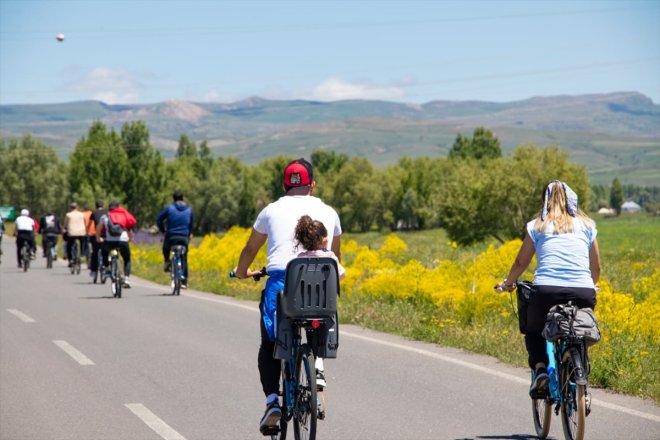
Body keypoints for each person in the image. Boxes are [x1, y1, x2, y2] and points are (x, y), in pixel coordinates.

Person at [233, 158, 342, 435]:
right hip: (319, 287)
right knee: (319, 316)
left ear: (283, 185)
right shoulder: (329, 211)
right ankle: (316, 366)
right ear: (313, 185)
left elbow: (250, 248)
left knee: (269, 343)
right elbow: (337, 258)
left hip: (282, 284)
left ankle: (272, 402)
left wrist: (242, 271)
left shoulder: (270, 210)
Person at [496, 180, 600, 397]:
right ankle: (579, 376)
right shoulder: (588, 226)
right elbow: (596, 266)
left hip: (546, 291)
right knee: (579, 331)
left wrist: (507, 283)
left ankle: (541, 370)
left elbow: (520, 263)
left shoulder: (538, 225)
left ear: (545, 200)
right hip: (583, 290)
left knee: (534, 330)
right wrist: (593, 285)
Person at [293, 214, 346, 390]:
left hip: (300, 310)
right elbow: (341, 275)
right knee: (324, 322)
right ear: (324, 241)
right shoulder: (330, 258)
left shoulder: (298, 259)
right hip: (324, 309)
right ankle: (319, 366)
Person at [156, 191, 193, 288]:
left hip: (171, 236)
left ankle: (167, 261)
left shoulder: (169, 208)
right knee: (184, 258)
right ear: (183, 198)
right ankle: (184, 282)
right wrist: (189, 233)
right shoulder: (189, 210)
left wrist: (163, 231)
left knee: (165, 248)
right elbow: (191, 224)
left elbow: (159, 219)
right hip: (184, 237)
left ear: (173, 199)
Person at [96, 201, 137, 288]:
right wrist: (129, 239)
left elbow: (98, 229)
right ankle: (126, 279)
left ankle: (107, 268)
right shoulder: (123, 215)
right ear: (118, 207)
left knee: (104, 251)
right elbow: (129, 228)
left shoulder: (105, 216)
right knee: (127, 259)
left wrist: (98, 238)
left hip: (109, 241)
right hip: (123, 240)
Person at [87, 200, 107, 280]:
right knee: (106, 251)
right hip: (106, 235)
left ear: (96, 206)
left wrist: (87, 231)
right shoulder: (107, 212)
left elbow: (90, 223)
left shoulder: (93, 212)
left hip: (97, 234)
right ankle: (107, 266)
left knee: (94, 252)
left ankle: (94, 271)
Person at [62, 203, 87, 268]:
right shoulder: (82, 214)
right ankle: (81, 255)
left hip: (71, 233)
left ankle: (70, 260)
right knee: (82, 242)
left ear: (70, 208)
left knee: (69, 246)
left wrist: (63, 229)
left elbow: (65, 224)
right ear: (77, 207)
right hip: (81, 232)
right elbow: (85, 222)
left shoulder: (68, 215)